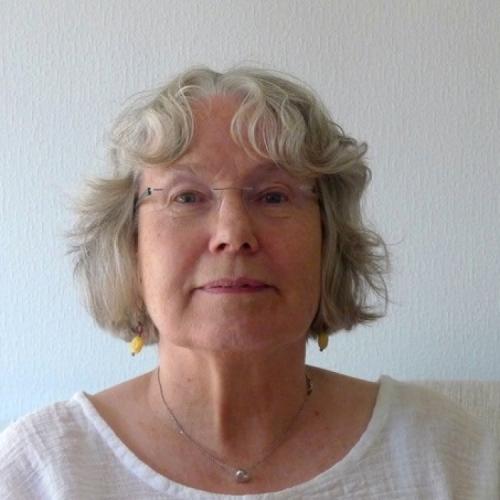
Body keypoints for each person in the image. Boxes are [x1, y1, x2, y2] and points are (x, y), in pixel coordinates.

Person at [1, 66, 498, 499]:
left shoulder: (448, 454)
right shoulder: (42, 470)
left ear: (329, 242)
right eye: (187, 197)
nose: (233, 234)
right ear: (128, 244)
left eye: (274, 196)